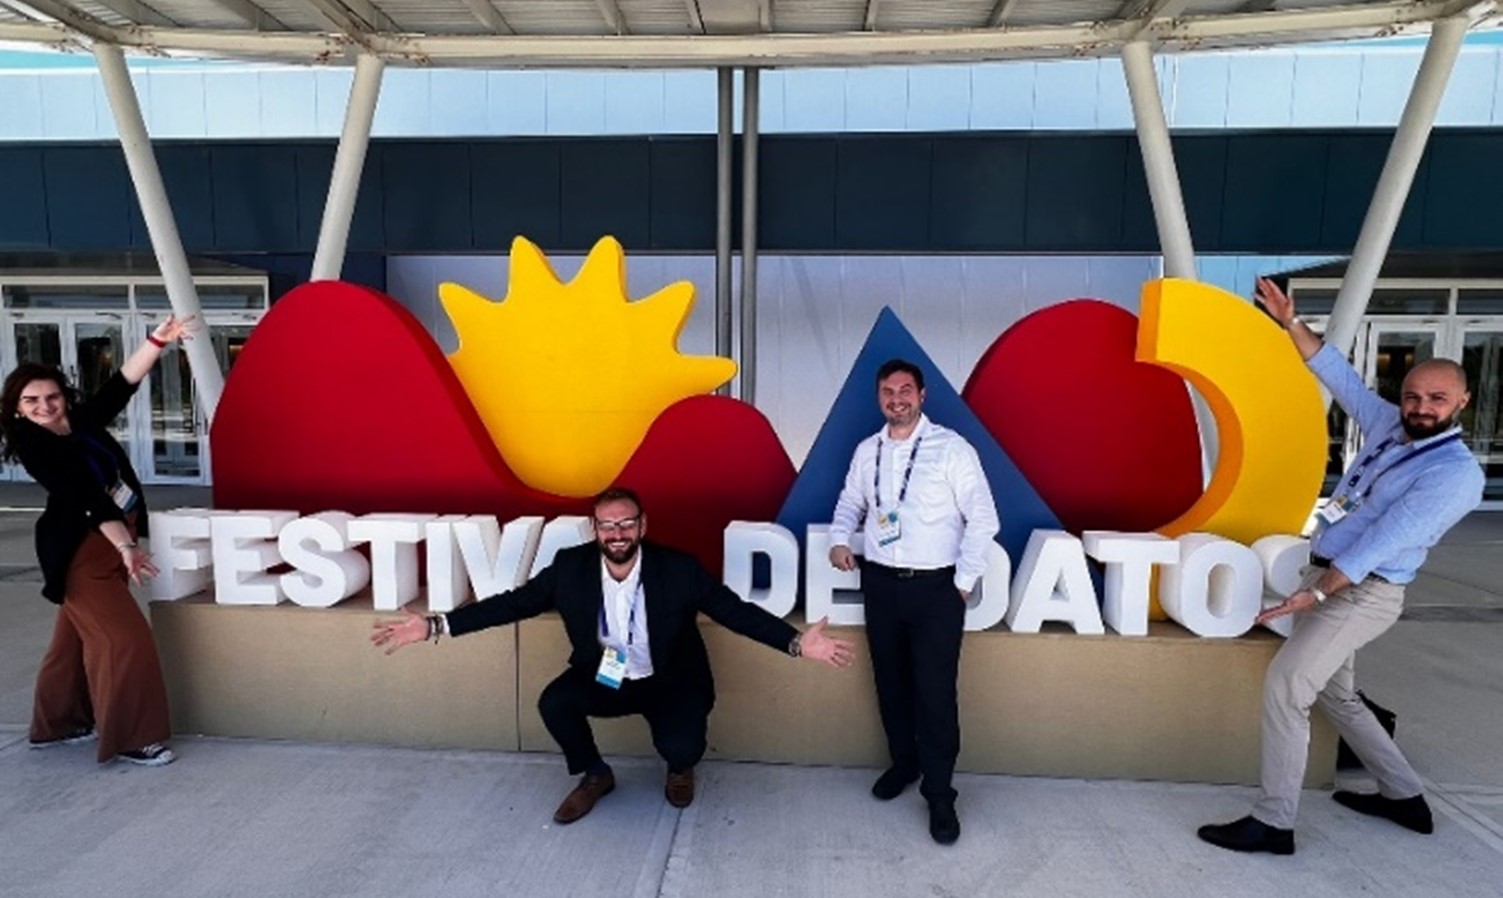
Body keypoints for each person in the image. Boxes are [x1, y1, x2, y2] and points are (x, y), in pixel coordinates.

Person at [1198, 277, 1485, 855]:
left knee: (1286, 686)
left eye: (1435, 400)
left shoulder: (1455, 474)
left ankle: (1274, 822)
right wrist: (1289, 323)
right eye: (1413, 396)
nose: (1420, 408)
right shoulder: (1388, 427)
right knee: (1336, 694)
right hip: (1327, 577)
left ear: (1461, 403)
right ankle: (1404, 795)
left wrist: (1319, 593)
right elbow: (1339, 376)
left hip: (1361, 592)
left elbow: (1385, 539)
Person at [372, 486, 855, 825]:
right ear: (594, 530)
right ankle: (595, 774)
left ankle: (680, 767)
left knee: (682, 747)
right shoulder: (569, 569)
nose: (617, 533)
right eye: (607, 525)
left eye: (626, 523)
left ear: (643, 524)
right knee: (554, 702)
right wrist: (435, 624)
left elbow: (735, 612)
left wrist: (796, 643)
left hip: (670, 679)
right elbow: (512, 604)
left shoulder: (679, 569)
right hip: (608, 677)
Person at [1, 316, 197, 767]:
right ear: (16, 408)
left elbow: (120, 385)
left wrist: (157, 342)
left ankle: (58, 725)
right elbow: (89, 499)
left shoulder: (79, 422)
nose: (45, 406)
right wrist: (126, 548)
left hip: (109, 539)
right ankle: (131, 738)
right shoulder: (37, 446)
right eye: (31, 401)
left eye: (52, 396)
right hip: (82, 551)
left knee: (72, 641)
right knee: (124, 641)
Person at [828, 358, 999, 845]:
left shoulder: (950, 449)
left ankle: (940, 794)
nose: (897, 398)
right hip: (880, 585)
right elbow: (849, 503)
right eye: (888, 391)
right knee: (890, 683)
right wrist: (841, 539)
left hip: (936, 591)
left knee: (935, 694)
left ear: (922, 396)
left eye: (906, 390)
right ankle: (904, 764)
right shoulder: (868, 452)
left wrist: (962, 583)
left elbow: (983, 518)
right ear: (879, 398)